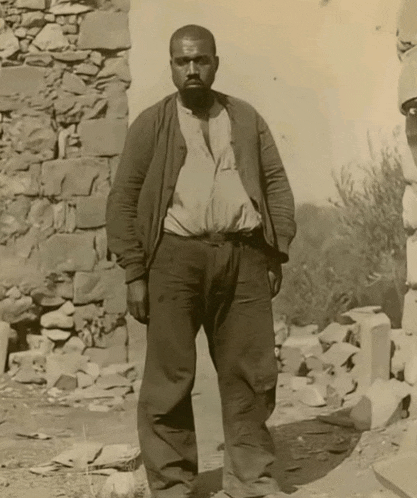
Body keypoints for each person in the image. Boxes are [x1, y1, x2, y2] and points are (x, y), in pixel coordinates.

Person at [106, 24, 296, 498]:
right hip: (173, 260)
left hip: (245, 255)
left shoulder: (246, 118)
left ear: (215, 63)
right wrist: (135, 272)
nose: (192, 69)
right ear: (171, 65)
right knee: (169, 377)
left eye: (201, 60)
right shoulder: (152, 124)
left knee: (251, 373)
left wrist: (275, 251)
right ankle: (172, 484)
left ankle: (252, 479)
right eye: (182, 61)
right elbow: (123, 199)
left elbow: (274, 183)